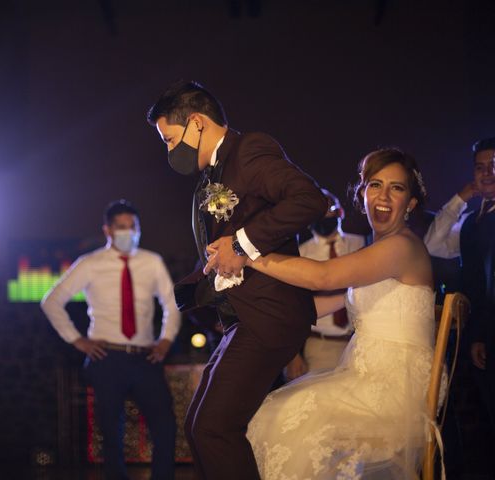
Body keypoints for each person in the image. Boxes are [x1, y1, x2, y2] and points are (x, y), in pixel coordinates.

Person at [208, 148, 434, 479]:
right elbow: (313, 305)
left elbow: (322, 276)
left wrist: (244, 252)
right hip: (367, 378)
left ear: (410, 203)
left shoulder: (401, 246)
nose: (383, 196)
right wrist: (248, 307)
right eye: (375, 185)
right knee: (272, 414)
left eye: (397, 188)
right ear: (362, 194)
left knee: (280, 419)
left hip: (393, 390)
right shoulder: (380, 252)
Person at [147, 80, 327, 479]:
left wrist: (242, 244)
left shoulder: (249, 150)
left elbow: (309, 199)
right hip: (244, 319)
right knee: (199, 427)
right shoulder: (214, 170)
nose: (169, 151)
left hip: (269, 315)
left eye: (170, 139)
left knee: (214, 429)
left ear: (196, 122)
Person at [40, 200, 180, 480]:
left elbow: (171, 302)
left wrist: (166, 339)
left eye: (133, 227)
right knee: (111, 432)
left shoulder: (151, 262)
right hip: (107, 357)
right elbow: (52, 300)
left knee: (165, 425)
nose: (129, 233)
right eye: (121, 227)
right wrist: (78, 340)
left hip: (145, 355)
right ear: (108, 230)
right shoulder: (90, 264)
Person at [423, 136, 495, 468]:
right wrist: (461, 197)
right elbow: (435, 244)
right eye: (481, 167)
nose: (487, 173)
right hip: (473, 329)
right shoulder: (471, 219)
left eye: (494, 165)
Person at [284, 189, 366, 381]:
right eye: (315, 210)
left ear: (340, 212)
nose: (323, 214)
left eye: (328, 208)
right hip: (320, 344)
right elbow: (290, 306)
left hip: (359, 342)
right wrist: (293, 355)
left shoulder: (362, 244)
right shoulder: (300, 253)